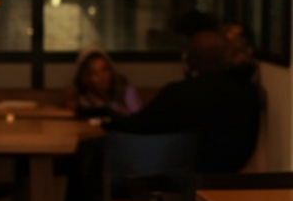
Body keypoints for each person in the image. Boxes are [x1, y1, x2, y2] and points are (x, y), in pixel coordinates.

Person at [108, 29, 262, 173]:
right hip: (231, 176)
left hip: (182, 177)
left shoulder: (185, 93)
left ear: (192, 59)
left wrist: (106, 118)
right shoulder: (248, 92)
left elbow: (140, 126)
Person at [63, 46, 143, 118]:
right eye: (95, 73)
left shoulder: (126, 91)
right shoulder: (83, 100)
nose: (102, 77)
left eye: (105, 70)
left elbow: (139, 120)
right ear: (85, 79)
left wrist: (107, 108)